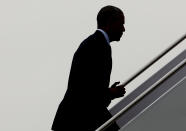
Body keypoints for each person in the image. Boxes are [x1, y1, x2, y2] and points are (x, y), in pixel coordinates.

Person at [51, 5, 126, 131]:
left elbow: (88, 87)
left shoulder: (95, 43)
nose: (123, 29)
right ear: (110, 22)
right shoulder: (97, 45)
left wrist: (108, 94)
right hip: (75, 119)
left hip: (75, 117)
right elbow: (85, 90)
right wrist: (109, 93)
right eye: (121, 23)